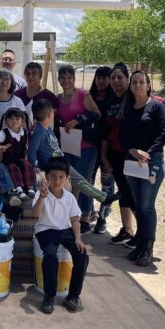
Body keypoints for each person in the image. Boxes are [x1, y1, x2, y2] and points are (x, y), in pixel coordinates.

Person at [119, 70, 165, 267]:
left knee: (146, 205)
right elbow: (123, 137)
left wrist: (147, 153)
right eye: (135, 82)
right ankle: (141, 245)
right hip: (133, 163)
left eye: (142, 82)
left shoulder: (157, 107)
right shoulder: (128, 109)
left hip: (152, 162)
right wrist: (133, 150)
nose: (138, 85)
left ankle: (148, 248)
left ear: (148, 85)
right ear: (131, 87)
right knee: (138, 205)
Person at [28, 99, 116, 210]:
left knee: (75, 186)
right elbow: (32, 150)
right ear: (51, 114)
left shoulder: (47, 129)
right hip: (54, 165)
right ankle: (103, 197)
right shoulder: (39, 131)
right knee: (80, 181)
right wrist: (34, 166)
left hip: (60, 163)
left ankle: (73, 211)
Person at [31, 158, 90, 314]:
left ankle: (73, 296)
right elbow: (35, 214)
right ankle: (49, 296)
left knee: (82, 255)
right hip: (46, 230)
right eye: (53, 176)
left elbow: (75, 220)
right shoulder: (41, 193)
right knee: (50, 256)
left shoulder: (69, 197)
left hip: (65, 230)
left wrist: (78, 239)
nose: (57, 181)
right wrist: (42, 198)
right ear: (46, 177)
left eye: (61, 177)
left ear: (67, 178)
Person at [56, 64, 102, 233]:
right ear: (59, 79)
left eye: (69, 77)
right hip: (67, 145)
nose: (66, 81)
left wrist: (78, 119)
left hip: (86, 146)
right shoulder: (58, 98)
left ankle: (85, 217)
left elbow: (97, 114)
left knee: (83, 181)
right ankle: (70, 215)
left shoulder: (83, 95)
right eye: (63, 77)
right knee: (69, 180)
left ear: (74, 79)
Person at [99, 63, 137, 246]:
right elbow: (105, 131)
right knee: (123, 192)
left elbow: (164, 107)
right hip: (115, 153)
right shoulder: (110, 100)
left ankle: (144, 233)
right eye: (113, 78)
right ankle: (127, 229)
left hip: (133, 155)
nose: (115, 81)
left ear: (127, 79)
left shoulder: (135, 98)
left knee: (135, 194)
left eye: (119, 77)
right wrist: (105, 156)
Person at [89, 66, 114, 234]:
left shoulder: (116, 99)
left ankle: (102, 217)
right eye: (99, 77)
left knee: (107, 184)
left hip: (108, 148)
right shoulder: (89, 97)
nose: (101, 81)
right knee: (88, 181)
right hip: (90, 146)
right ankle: (89, 211)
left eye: (105, 78)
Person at [0, 108, 35, 200]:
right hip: (8, 160)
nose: (14, 121)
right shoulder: (4, 133)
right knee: (13, 168)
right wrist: (0, 147)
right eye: (11, 119)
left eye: (17, 118)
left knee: (27, 164)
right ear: (6, 121)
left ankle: (30, 187)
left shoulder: (25, 132)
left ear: (22, 120)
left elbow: (28, 148)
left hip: (21, 159)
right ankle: (19, 190)